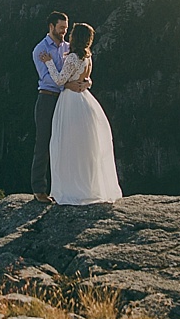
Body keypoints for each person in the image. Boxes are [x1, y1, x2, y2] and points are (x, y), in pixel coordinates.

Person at [38, 23, 122, 205]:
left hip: (70, 102)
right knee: (85, 148)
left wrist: (49, 62)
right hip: (85, 100)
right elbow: (86, 79)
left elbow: (60, 79)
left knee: (67, 146)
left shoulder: (73, 57)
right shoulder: (88, 57)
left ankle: (71, 188)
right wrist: (86, 83)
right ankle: (88, 185)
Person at [31, 11, 90, 203]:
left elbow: (80, 72)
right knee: (43, 143)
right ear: (51, 27)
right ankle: (39, 189)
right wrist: (68, 84)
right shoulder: (40, 49)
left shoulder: (69, 47)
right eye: (61, 28)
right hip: (48, 99)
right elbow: (47, 79)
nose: (65, 31)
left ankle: (64, 188)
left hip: (67, 101)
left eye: (67, 28)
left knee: (66, 145)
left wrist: (84, 83)